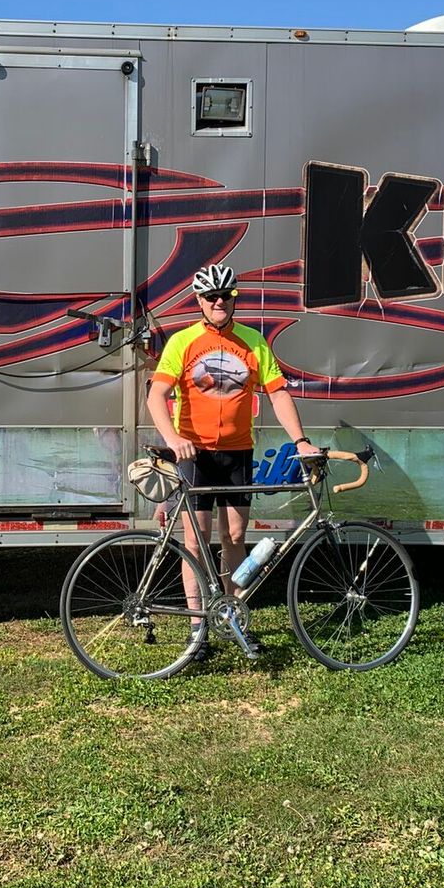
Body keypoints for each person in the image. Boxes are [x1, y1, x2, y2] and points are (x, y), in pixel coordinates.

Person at [147, 264, 321, 648]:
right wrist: (173, 438)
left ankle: (232, 617)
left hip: (238, 452)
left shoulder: (253, 342)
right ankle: (197, 630)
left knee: (236, 536)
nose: (219, 302)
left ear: (234, 297)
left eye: (226, 295)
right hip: (196, 454)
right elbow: (156, 395)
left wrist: (300, 441)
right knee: (196, 542)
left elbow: (278, 393)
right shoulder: (183, 342)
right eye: (211, 296)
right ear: (199, 301)